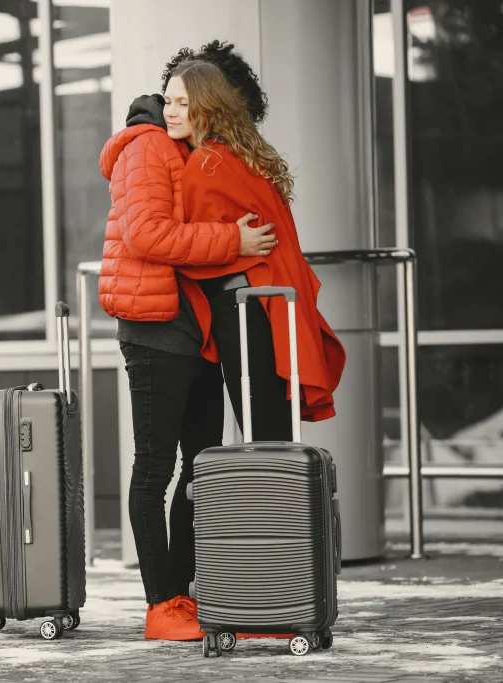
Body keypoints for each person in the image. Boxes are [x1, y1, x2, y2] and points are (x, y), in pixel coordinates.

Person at [98, 43, 278, 642]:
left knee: (201, 466)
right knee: (156, 470)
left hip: (194, 332)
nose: (179, 110)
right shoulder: (148, 146)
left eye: (187, 102)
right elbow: (148, 236)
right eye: (173, 99)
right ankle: (161, 603)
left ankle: (186, 592)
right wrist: (233, 242)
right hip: (155, 331)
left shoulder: (187, 150)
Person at [163, 58, 346, 443]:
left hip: (244, 310)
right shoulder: (243, 157)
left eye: (183, 103)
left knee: (263, 439)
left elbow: (189, 249)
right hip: (271, 307)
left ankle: (274, 503)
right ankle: (291, 502)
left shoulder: (205, 163)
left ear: (208, 106)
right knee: (277, 436)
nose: (171, 112)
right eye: (168, 101)